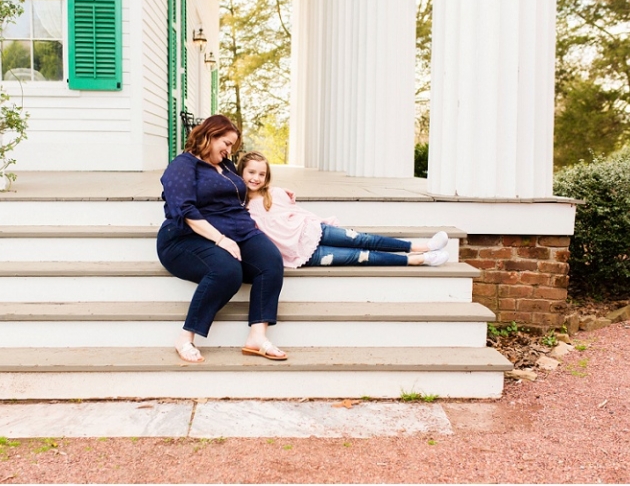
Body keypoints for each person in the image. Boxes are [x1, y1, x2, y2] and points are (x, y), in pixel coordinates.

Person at [157, 116, 287, 363]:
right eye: (226, 143)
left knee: (270, 260)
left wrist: (276, 194)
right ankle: (186, 337)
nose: (229, 150)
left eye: (232, 147)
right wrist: (221, 240)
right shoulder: (183, 165)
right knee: (228, 271)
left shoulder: (225, 165)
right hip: (186, 238)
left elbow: (244, 189)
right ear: (210, 135)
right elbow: (184, 211)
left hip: (238, 231)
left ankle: (257, 336)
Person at [237, 151, 450, 268]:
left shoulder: (274, 193)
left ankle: (421, 246)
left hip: (313, 230)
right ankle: (418, 259)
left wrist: (282, 191)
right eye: (251, 172)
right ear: (241, 172)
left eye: (261, 174)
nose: (255, 178)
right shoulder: (240, 208)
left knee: (363, 239)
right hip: (300, 253)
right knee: (360, 256)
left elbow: (293, 210)